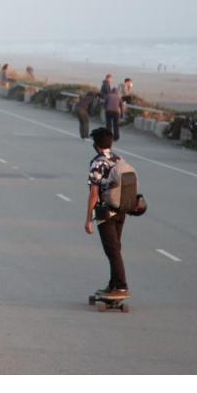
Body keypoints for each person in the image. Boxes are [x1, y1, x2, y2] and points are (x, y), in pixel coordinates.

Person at [84, 127, 129, 299]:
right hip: (121, 209)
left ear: (95, 144)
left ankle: (122, 286)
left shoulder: (97, 162)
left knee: (112, 250)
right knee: (115, 248)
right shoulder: (119, 160)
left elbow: (94, 193)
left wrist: (88, 219)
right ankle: (113, 284)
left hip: (105, 212)